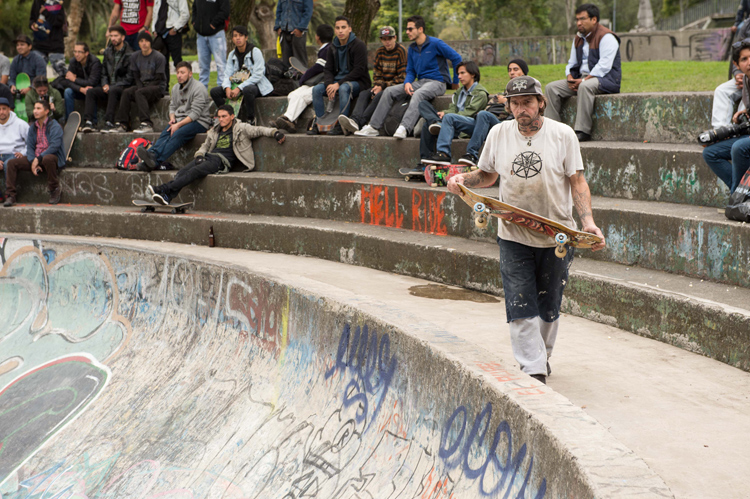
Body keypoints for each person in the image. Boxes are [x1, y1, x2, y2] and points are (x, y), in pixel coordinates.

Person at [446, 76, 606, 384]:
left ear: (541, 103)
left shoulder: (563, 135)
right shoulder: (498, 133)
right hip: (513, 232)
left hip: (556, 234)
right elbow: (487, 176)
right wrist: (463, 180)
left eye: (528, 103)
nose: (522, 110)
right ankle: (533, 370)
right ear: (507, 105)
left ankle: (541, 355)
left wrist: (588, 223)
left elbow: (577, 181)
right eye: (516, 104)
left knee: (548, 305)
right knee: (520, 302)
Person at [146, 104, 286, 205]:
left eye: (224, 116)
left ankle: (163, 189)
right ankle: (168, 197)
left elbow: (259, 130)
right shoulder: (214, 131)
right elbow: (205, 146)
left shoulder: (241, 128)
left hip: (222, 162)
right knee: (182, 171)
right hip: (209, 157)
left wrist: (275, 133)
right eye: (219, 117)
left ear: (232, 116)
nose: (221, 119)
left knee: (194, 172)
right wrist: (199, 155)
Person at [355, 15, 461, 139]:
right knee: (389, 91)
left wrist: (455, 81)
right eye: (407, 29)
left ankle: (404, 127)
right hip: (420, 81)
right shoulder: (412, 48)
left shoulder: (436, 43)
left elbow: (456, 58)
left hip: (437, 82)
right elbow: (410, 70)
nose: (407, 32)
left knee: (419, 94)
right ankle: (373, 127)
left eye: (410, 29)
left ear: (420, 29)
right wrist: (407, 83)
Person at [544, 3, 621, 142]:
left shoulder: (607, 37)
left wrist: (584, 81)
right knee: (551, 88)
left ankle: (582, 131)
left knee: (585, 87)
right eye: (577, 19)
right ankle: (553, 130)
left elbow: (604, 66)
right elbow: (572, 63)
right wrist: (570, 78)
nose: (579, 23)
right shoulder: (579, 38)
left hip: (605, 79)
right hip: (581, 79)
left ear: (594, 19)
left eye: (582, 19)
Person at [136, 61, 212, 171]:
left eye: (182, 72)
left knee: (178, 134)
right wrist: (172, 118)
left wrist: (178, 125)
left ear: (190, 74)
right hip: (180, 120)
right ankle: (150, 157)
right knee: (165, 133)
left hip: (199, 121)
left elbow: (195, 114)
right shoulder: (175, 88)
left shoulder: (198, 88)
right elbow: (172, 106)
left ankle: (154, 160)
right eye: (177, 73)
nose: (179, 75)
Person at [415, 61, 488, 168]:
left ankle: (444, 153)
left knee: (448, 118)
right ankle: (425, 162)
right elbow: (453, 108)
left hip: (468, 126)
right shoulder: (459, 92)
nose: (459, 76)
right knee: (424, 110)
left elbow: (469, 113)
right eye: (458, 74)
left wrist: (448, 116)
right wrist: (444, 113)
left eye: (463, 73)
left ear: (473, 74)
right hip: (452, 123)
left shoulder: (480, 93)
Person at [337, 26, 406, 136]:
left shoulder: (401, 51)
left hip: (395, 88)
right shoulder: (380, 52)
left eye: (390, 38)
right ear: (381, 40)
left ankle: (361, 122)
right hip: (382, 86)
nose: (387, 42)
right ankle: (354, 121)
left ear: (395, 38)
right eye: (384, 39)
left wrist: (382, 86)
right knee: (364, 94)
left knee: (380, 96)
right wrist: (377, 85)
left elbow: (402, 77)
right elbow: (376, 74)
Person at [457, 59, 528, 166]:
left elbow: (525, 112)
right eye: (509, 70)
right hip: (495, 124)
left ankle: (471, 154)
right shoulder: (506, 91)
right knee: (451, 118)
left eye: (515, 69)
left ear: (523, 72)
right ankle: (442, 155)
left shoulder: (528, 89)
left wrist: (505, 102)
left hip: (511, 127)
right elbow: (490, 106)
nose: (511, 72)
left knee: (483, 114)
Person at [309, 16, 370, 135]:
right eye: (337, 28)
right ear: (335, 30)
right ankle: (319, 124)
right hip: (337, 81)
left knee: (344, 88)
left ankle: (341, 125)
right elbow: (328, 70)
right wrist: (329, 85)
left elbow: (359, 70)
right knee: (316, 89)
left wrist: (338, 84)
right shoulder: (332, 47)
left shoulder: (359, 45)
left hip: (358, 82)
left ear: (350, 29)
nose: (340, 31)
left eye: (343, 27)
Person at [703, 41, 750, 193]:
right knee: (710, 152)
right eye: (744, 59)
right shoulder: (747, 80)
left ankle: (737, 201)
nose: (749, 62)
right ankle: (740, 195)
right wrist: (743, 114)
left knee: (739, 147)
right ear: (736, 65)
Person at [274, 24, 334, 133]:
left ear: (317, 37)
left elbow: (318, 68)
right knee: (293, 94)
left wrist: (303, 78)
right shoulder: (325, 49)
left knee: (303, 96)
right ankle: (290, 121)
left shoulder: (327, 49)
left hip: (324, 84)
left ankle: (288, 119)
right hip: (317, 82)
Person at [4, 100, 65, 206]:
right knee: (11, 163)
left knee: (48, 158)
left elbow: (55, 146)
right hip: (36, 158)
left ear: (46, 111)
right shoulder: (33, 127)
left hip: (50, 158)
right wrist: (33, 161)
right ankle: (11, 195)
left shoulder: (55, 126)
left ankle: (54, 189)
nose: (35, 111)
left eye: (38, 108)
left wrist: (38, 159)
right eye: (34, 108)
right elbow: (30, 146)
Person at [210, 26, 273, 125]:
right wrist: (227, 87)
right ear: (232, 39)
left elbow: (258, 75)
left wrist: (239, 88)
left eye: (241, 35)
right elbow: (227, 74)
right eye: (235, 36)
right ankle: (229, 116)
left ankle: (251, 119)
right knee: (214, 92)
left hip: (256, 85)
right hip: (236, 85)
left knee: (247, 90)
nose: (238, 38)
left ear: (246, 37)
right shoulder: (232, 55)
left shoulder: (255, 52)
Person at [81, 26, 134, 133]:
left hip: (122, 87)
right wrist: (105, 84)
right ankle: (89, 122)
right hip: (108, 86)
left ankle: (109, 122)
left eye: (116, 36)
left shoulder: (131, 54)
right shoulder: (108, 52)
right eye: (111, 36)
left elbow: (130, 77)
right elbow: (103, 72)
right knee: (91, 92)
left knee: (113, 90)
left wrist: (113, 86)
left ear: (123, 37)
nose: (113, 38)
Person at [112, 31, 167, 133]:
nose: (144, 43)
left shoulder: (159, 57)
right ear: (138, 43)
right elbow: (136, 76)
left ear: (150, 42)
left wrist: (143, 89)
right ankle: (122, 124)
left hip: (157, 87)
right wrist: (140, 86)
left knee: (139, 92)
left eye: (146, 41)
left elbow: (159, 78)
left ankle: (147, 124)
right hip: (142, 86)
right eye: (141, 41)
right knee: (127, 92)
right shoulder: (135, 56)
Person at [52, 42, 102, 121]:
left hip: (93, 90)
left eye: (79, 52)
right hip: (80, 90)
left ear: (86, 53)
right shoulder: (73, 62)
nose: (76, 54)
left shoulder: (95, 62)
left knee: (90, 91)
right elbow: (68, 82)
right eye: (75, 51)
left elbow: (92, 82)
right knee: (68, 91)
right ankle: (70, 121)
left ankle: (92, 121)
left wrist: (75, 79)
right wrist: (80, 89)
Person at [192, 0, 229, 88]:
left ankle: (222, 89)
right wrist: (194, 22)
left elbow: (225, 11)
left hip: (217, 34)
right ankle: (202, 92)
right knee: (202, 66)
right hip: (201, 36)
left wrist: (213, 24)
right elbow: (194, 8)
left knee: (221, 64)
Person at [151, 0, 189, 83]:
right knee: (161, 62)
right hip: (160, 33)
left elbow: (185, 14)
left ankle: (184, 86)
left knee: (178, 62)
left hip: (173, 32)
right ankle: (164, 88)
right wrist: (154, 29)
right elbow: (155, 14)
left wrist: (175, 28)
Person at [0, 97, 30, 200]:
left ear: (9, 109)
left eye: (4, 109)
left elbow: (31, 143)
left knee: (9, 164)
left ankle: (10, 195)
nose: (1, 112)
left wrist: (23, 152)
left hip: (14, 154)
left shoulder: (21, 124)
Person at [29, 0, 68, 77]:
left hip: (55, 44)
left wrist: (46, 12)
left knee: (61, 73)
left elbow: (58, 22)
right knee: (37, 74)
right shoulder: (37, 2)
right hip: (39, 44)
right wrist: (32, 25)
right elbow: (32, 18)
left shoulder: (57, 3)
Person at [274, 0, 313, 66]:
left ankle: (301, 76)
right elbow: (278, 11)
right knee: (286, 62)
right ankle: (287, 76)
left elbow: (308, 12)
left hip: (298, 32)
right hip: (284, 32)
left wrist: (300, 28)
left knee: (299, 62)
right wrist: (278, 27)